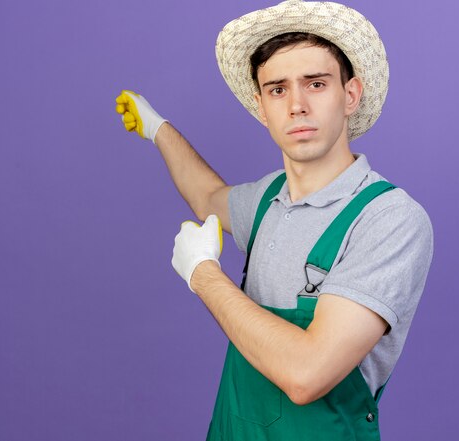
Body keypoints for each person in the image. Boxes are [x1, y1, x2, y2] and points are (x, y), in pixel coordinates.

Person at [114, 1, 433, 439]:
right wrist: (158, 129)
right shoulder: (267, 201)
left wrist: (203, 274)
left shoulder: (389, 219)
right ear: (262, 107)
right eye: (278, 89)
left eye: (316, 84)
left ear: (350, 95)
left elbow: (307, 373)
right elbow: (208, 197)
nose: (297, 105)